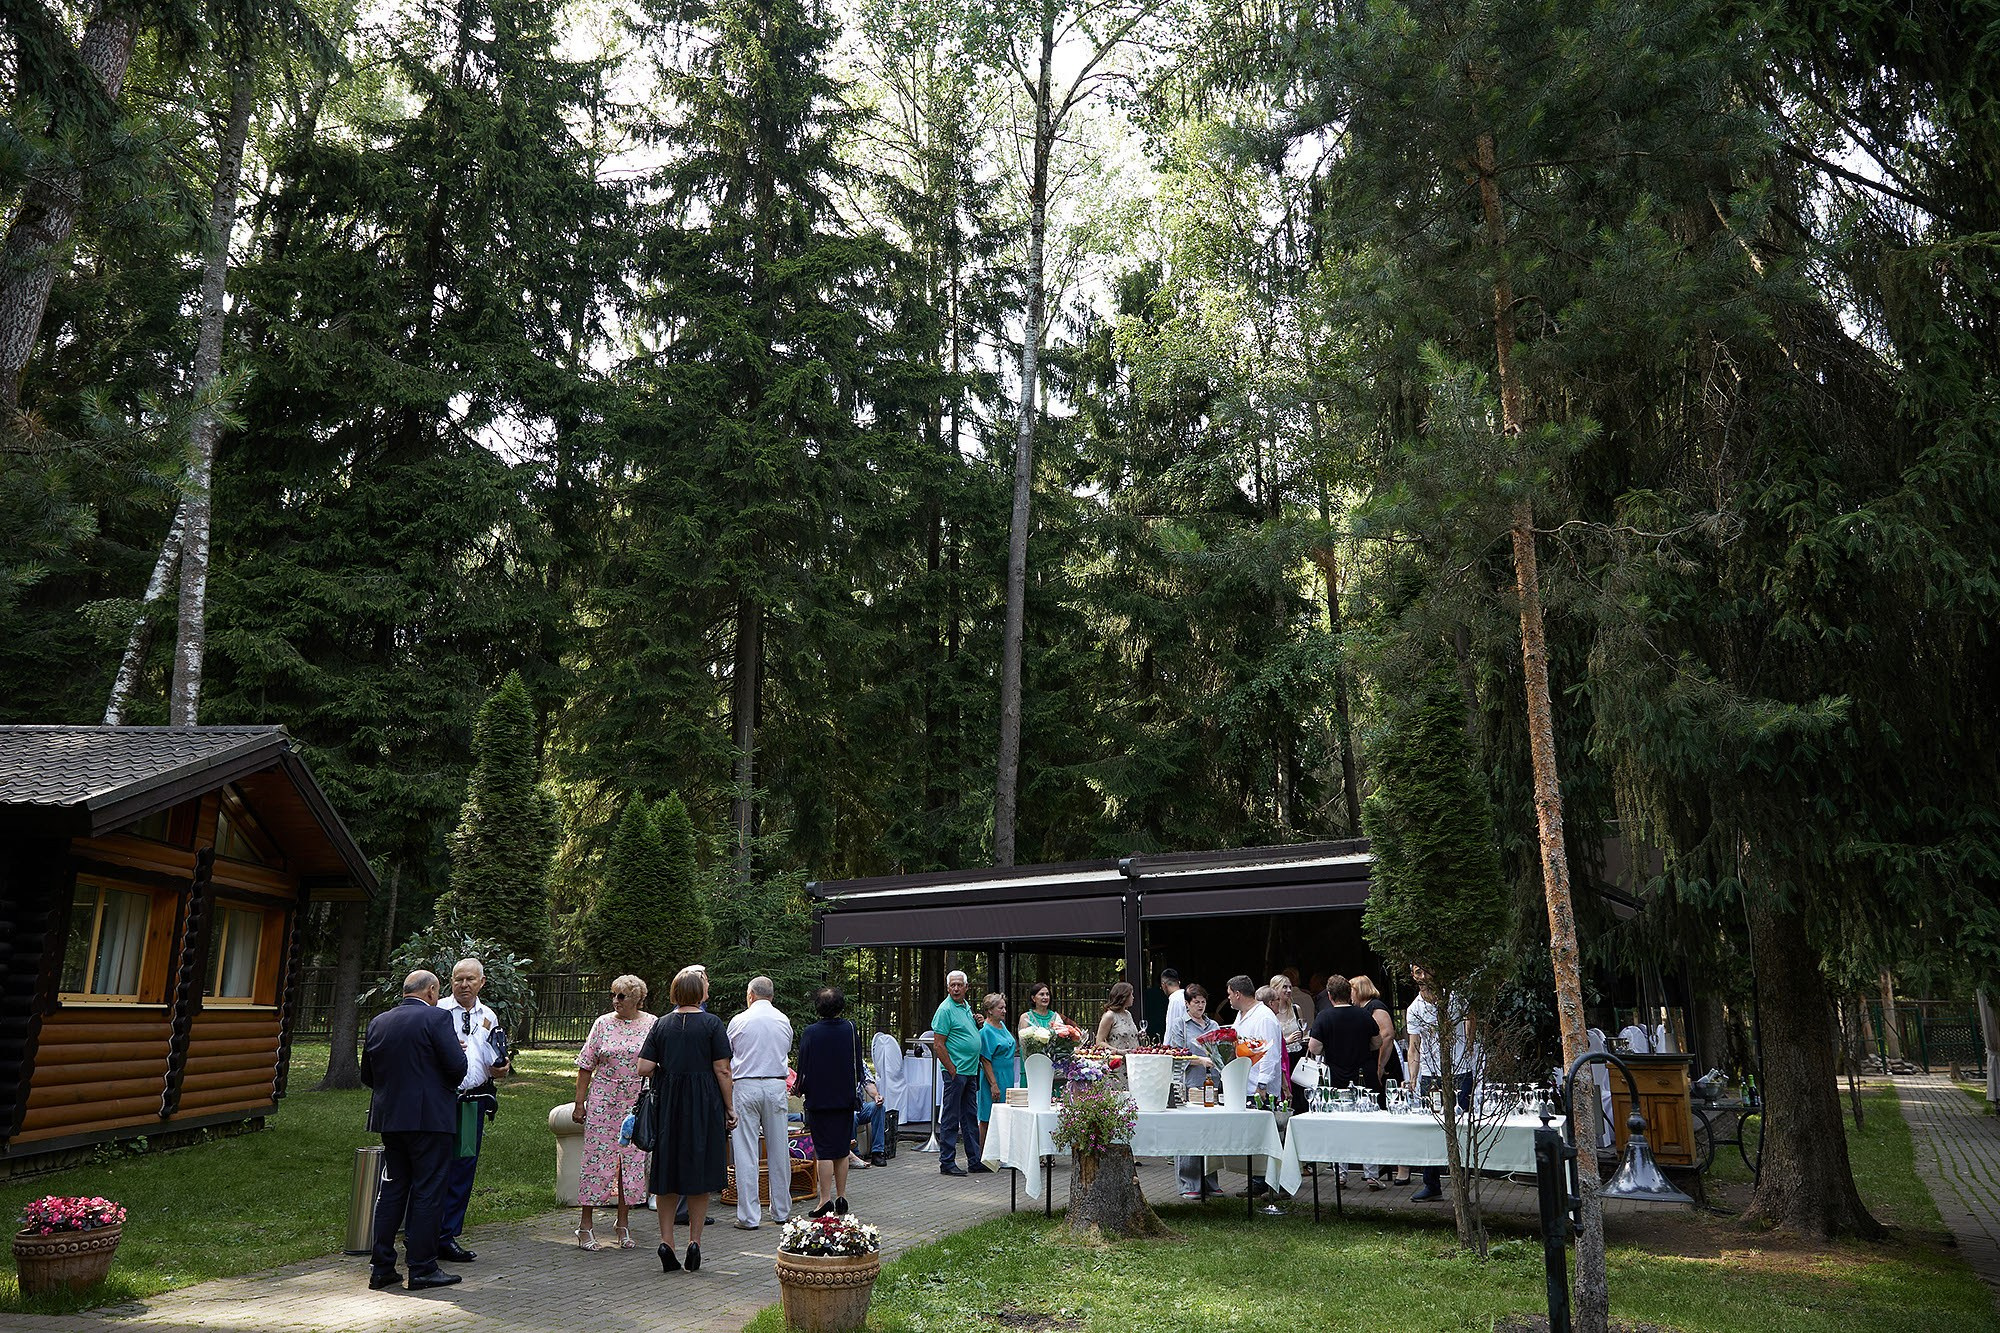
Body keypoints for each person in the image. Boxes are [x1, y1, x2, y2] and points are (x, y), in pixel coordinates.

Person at [361, 970, 468, 1292]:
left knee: (392, 1189)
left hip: (390, 1118)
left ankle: (381, 1268)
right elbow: (457, 1067)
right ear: (432, 991)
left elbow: (368, 1074)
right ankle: (421, 1268)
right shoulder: (436, 1019)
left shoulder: (378, 1022)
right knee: (428, 1190)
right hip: (430, 1119)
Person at [637, 965, 735, 1273]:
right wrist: (730, 1108)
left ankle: (667, 1242)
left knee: (667, 1172)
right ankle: (695, 1241)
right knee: (700, 1171)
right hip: (704, 1103)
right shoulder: (712, 1024)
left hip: (669, 1104)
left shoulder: (662, 1025)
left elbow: (643, 1066)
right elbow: (722, 1069)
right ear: (699, 992)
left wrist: (667, 1071)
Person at [571, 974, 656, 1249]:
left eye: (621, 996)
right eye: (613, 995)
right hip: (604, 1098)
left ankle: (623, 1224)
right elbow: (585, 1066)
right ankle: (585, 1226)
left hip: (635, 1101)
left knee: (630, 1162)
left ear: (636, 999)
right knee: (596, 1160)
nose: (615, 1001)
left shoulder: (651, 1023)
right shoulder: (603, 1023)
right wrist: (579, 1103)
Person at [435, 958, 509, 1264]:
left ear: (482, 983)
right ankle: (421, 1231)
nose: (464, 985)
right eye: (458, 979)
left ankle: (447, 1235)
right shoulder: (436, 1011)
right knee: (434, 1166)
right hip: (441, 1100)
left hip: (473, 1101)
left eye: (470, 979)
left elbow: (493, 1056)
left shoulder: (488, 1015)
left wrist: (501, 1068)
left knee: (463, 1167)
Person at [726, 976, 794, 1230]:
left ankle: (748, 1216)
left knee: (746, 1151)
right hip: (775, 1085)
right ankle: (781, 1210)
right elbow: (785, 1049)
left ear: (750, 995)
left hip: (746, 1085)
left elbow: (728, 1051)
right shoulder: (782, 1020)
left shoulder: (739, 1021)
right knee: (779, 1147)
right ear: (772, 996)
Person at [1405, 965, 1476, 1202]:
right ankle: (1431, 1184)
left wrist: (1468, 1046)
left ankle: (1462, 1184)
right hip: (1430, 1074)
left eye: (1425, 971)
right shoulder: (1414, 1008)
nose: (1423, 977)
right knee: (1429, 1128)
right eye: (1417, 972)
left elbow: (1470, 1017)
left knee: (1462, 1126)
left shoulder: (1454, 998)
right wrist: (1413, 1077)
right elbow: (1414, 1046)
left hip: (1460, 1070)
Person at [1308, 975, 1385, 1187]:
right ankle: (1371, 1174)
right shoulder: (1364, 1015)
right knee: (1368, 1124)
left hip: (1337, 1076)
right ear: (1349, 994)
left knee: (1339, 1125)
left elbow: (1314, 1048)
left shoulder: (1324, 1017)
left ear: (1330, 996)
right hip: (1364, 1074)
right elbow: (1377, 1042)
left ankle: (1341, 1173)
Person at [795, 985, 865, 1217]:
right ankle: (842, 1197)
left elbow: (802, 1067)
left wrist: (798, 1089)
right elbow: (857, 1062)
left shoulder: (810, 1032)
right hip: (845, 1098)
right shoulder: (850, 1028)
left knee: (823, 1151)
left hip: (819, 1098)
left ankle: (825, 1199)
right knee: (841, 1150)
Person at [1226, 974, 1284, 1198]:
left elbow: (1271, 1053)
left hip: (1260, 1088)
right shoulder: (1241, 1016)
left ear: (1238, 994)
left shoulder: (1264, 1017)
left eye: (1230, 994)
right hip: (1244, 1084)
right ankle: (1257, 1181)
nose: (1228, 998)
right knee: (1254, 1137)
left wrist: (1262, 1084)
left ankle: (1273, 1182)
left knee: (1266, 1137)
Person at [1350, 974, 1408, 1185]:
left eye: (1352, 990)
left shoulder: (1375, 1006)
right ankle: (1386, 1162)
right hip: (1377, 1064)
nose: (1350, 996)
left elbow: (1387, 1034)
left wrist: (1380, 1066)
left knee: (1391, 1112)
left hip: (1386, 1066)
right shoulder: (1364, 1009)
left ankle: (1403, 1167)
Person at [1167, 983, 1221, 1198]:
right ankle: (1189, 1183)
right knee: (1189, 1130)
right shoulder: (1180, 1024)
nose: (1200, 1005)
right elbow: (1177, 1054)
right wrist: (1200, 1060)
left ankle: (1210, 1180)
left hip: (1212, 1082)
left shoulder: (1213, 1024)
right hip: (1190, 1082)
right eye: (1196, 1002)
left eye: (1203, 1002)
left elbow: (1219, 1050)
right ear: (1187, 1004)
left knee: (1210, 1130)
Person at [930, 969, 987, 1175]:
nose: (955, 988)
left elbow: (966, 1035)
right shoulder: (945, 1010)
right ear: (947, 988)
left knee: (970, 1117)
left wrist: (977, 1024)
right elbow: (938, 1044)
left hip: (970, 1070)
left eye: (959, 985)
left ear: (966, 987)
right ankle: (947, 1162)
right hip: (957, 1072)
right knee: (951, 1118)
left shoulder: (965, 1007)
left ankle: (974, 1160)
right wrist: (951, 1069)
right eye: (952, 985)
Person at [976, 993, 1016, 1151]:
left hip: (1007, 1075)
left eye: (1004, 1007)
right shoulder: (986, 1031)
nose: (1004, 1010)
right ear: (990, 1010)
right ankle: (983, 1153)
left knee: (1004, 1115)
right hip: (993, 1076)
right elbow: (985, 1059)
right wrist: (993, 1084)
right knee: (987, 1116)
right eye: (1000, 1008)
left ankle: (1002, 1151)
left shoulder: (1002, 1026)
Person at [852, 1058, 888, 1167]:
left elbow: (868, 1083)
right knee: (850, 1115)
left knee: (878, 1108)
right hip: (842, 1108)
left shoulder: (858, 1061)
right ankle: (855, 1154)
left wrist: (876, 1096)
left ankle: (877, 1152)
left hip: (860, 1106)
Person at [1096, 981, 1141, 1052]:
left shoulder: (1128, 1014)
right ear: (1124, 996)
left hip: (1133, 1059)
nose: (1133, 997)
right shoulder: (1109, 1016)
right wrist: (1117, 1051)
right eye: (1131, 995)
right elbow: (1099, 1042)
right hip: (1117, 1060)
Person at [1159, 968, 1186, 1046]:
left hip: (1178, 1046)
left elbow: (1171, 1027)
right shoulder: (1186, 996)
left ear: (1164, 985)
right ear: (1178, 982)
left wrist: (1166, 1046)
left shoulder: (1175, 1000)